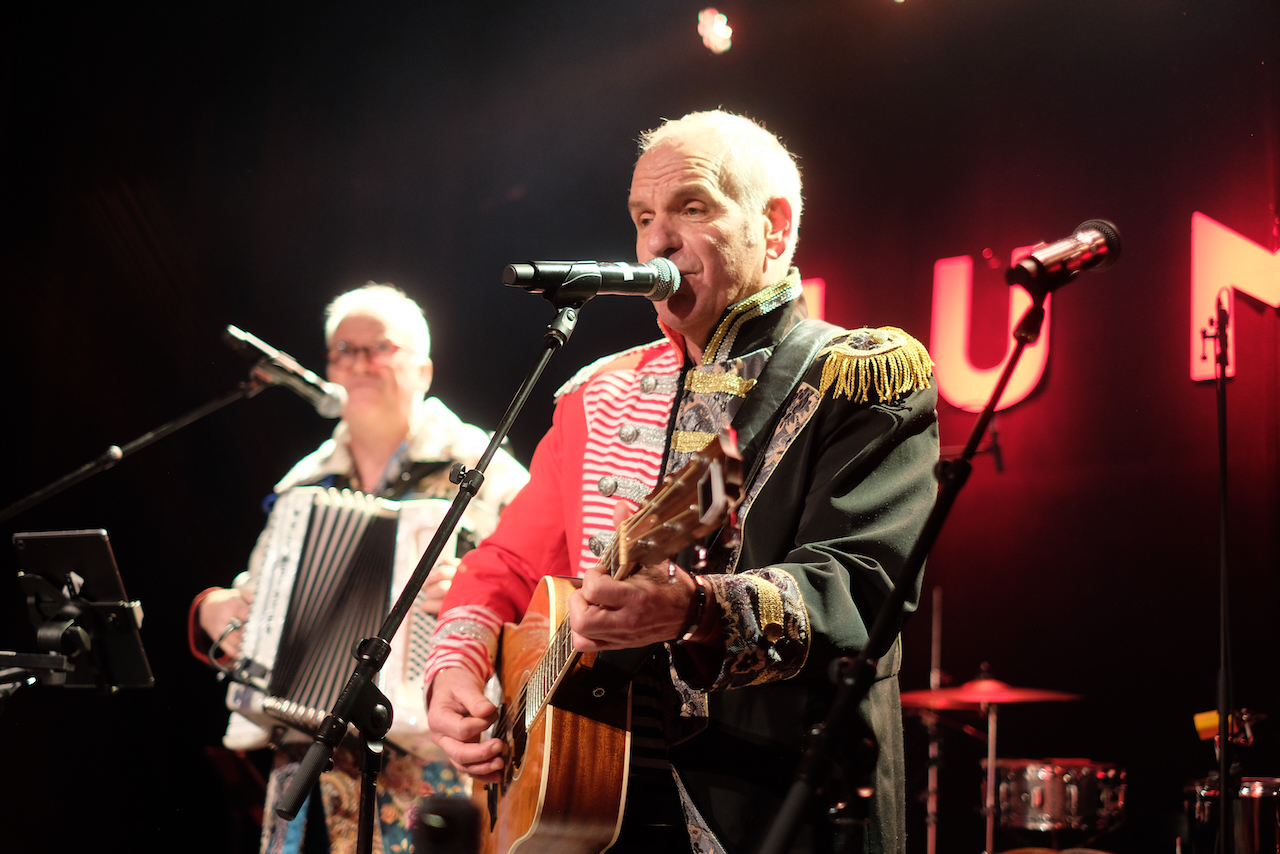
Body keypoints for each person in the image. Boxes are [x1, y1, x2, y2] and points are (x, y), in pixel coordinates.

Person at [424, 110, 939, 854]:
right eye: (643, 217)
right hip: (595, 813)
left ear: (774, 227)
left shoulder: (858, 376)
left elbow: (862, 586)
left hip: (777, 805)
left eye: (691, 208)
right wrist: (456, 672)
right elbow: (505, 564)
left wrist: (696, 608)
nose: (657, 241)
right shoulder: (596, 394)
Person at [188, 283, 529, 854]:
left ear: (423, 369)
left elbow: (542, 587)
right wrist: (218, 611)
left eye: (379, 348)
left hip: (435, 761)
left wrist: (480, 597)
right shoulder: (304, 484)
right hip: (306, 763)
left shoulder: (485, 467)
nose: (359, 364)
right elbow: (261, 605)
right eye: (343, 351)